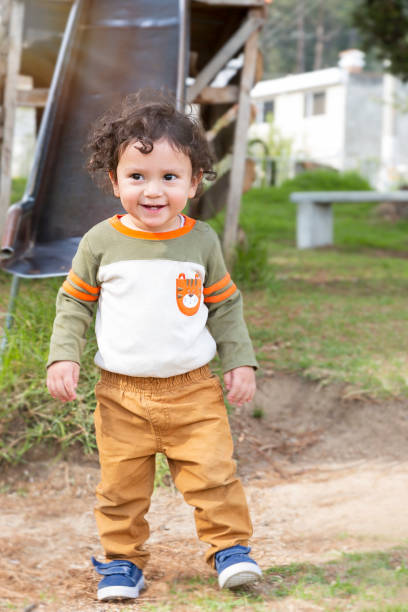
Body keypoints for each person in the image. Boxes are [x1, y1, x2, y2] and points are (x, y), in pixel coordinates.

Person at [46, 90, 262, 602]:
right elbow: (74, 304)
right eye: (137, 177)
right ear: (114, 180)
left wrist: (240, 361)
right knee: (120, 489)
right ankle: (122, 563)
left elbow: (225, 307)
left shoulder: (201, 241)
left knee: (214, 475)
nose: (153, 190)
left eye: (169, 177)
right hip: (120, 395)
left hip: (194, 392)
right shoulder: (100, 242)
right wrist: (63, 354)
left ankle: (230, 550)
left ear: (193, 181)